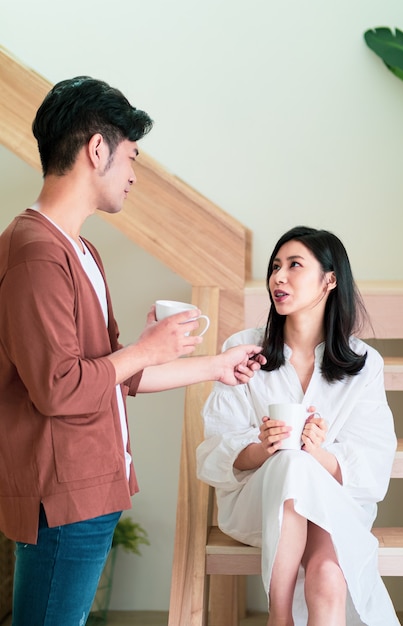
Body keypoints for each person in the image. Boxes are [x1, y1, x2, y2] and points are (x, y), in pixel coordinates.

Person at [0, 76, 265, 626]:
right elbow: (59, 387)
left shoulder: (81, 250)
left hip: (91, 487)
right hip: (65, 492)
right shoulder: (36, 253)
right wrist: (144, 350)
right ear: (98, 150)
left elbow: (114, 375)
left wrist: (215, 365)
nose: (134, 176)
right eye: (131, 157)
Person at [197, 226, 400, 626]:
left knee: (328, 577)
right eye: (275, 267)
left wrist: (318, 454)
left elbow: (374, 461)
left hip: (332, 500)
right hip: (257, 503)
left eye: (294, 266)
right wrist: (263, 448)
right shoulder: (245, 348)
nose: (278, 278)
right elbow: (215, 446)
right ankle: (280, 613)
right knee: (290, 464)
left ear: (330, 279)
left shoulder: (364, 364)